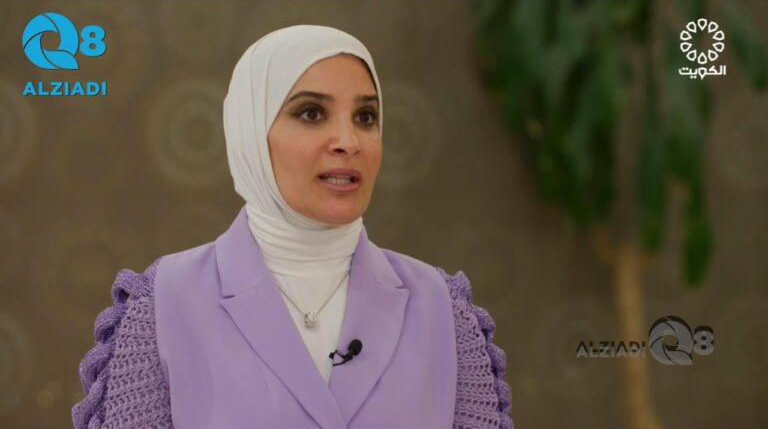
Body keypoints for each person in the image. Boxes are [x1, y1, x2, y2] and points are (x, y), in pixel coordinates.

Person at [71, 24, 512, 429]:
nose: (348, 142)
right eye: (311, 113)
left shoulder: (443, 310)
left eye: (365, 117)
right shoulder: (161, 307)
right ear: (251, 131)